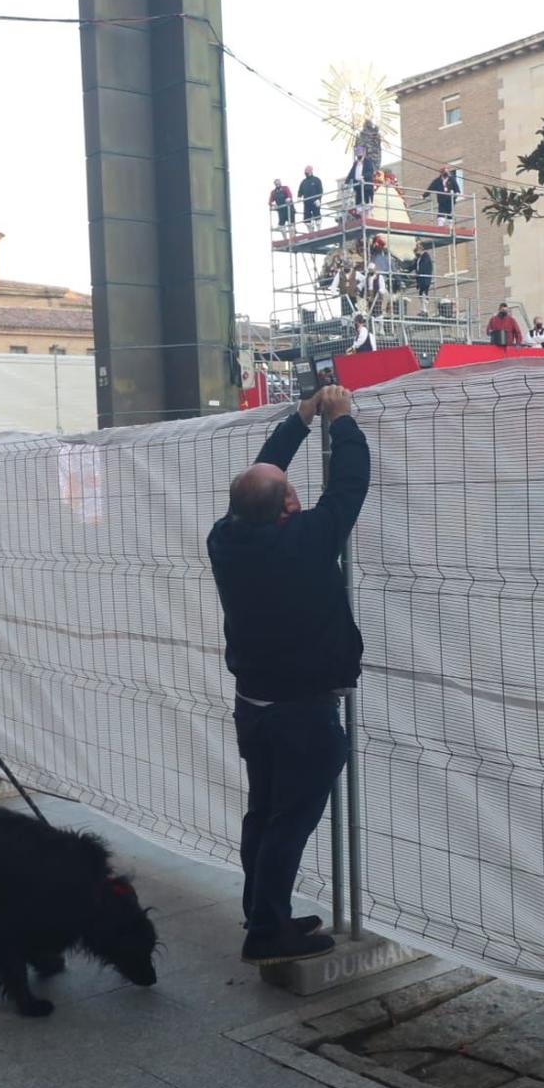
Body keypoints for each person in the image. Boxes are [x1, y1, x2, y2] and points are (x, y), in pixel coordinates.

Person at [206, 385, 369, 965]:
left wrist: (301, 419)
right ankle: (267, 931)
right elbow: (350, 485)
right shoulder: (305, 542)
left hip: (255, 704)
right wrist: (343, 421)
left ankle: (262, 911)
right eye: (294, 493)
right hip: (303, 710)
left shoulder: (226, 539)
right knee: (287, 823)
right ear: (289, 508)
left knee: (263, 811)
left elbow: (263, 478)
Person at [346, 145, 376, 210]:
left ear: (363, 152)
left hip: (366, 187)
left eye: (360, 151)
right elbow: (351, 174)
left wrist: (363, 177)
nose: (358, 153)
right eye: (357, 152)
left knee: (367, 206)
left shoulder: (368, 161)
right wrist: (346, 183)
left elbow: (370, 172)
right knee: (359, 207)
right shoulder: (355, 163)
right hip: (358, 188)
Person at [412, 240, 435, 314]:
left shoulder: (426, 256)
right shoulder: (419, 258)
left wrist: (418, 273)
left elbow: (424, 267)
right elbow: (414, 266)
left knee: (424, 293)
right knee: (421, 293)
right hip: (420, 279)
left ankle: (425, 309)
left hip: (425, 279)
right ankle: (423, 309)